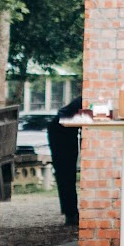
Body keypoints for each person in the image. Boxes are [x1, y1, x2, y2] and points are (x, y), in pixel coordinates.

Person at [50, 92, 83, 228]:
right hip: (61, 132)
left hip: (68, 131)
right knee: (66, 173)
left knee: (68, 174)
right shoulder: (87, 101)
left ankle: (71, 213)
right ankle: (70, 214)